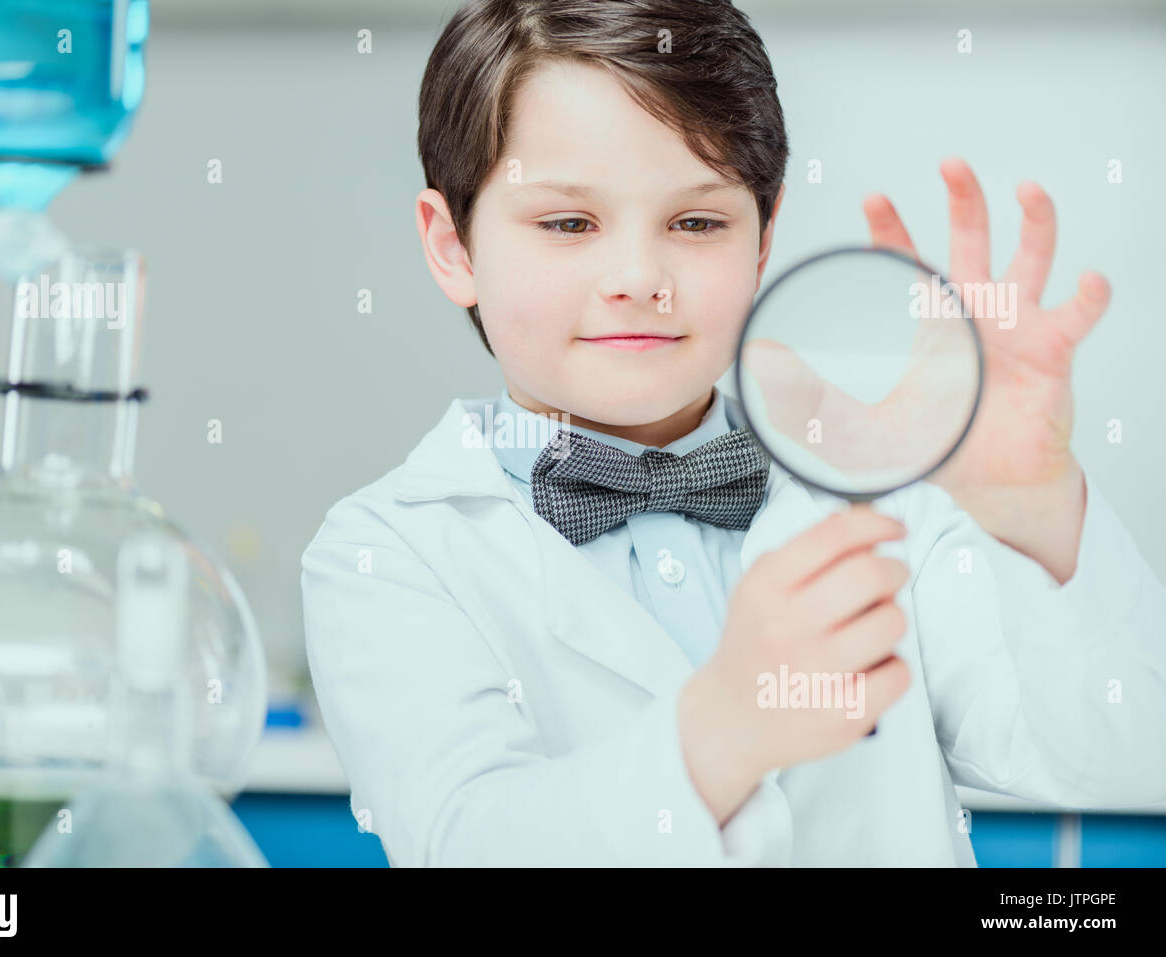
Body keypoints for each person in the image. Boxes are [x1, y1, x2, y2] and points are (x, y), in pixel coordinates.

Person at [300, 0, 1166, 865]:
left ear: (763, 240)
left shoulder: (881, 482)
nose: (640, 278)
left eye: (696, 222)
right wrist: (724, 726)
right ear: (452, 245)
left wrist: (1037, 507)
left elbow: (1118, 762)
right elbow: (470, 840)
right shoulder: (386, 551)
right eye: (568, 222)